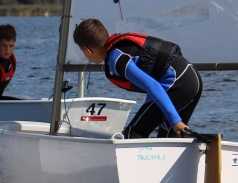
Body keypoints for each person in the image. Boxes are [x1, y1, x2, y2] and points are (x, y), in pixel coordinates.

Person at [72, 18, 201, 138]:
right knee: (169, 138)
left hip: (178, 82)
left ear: (88, 50)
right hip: (192, 78)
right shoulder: (121, 47)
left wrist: (176, 121)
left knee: (133, 133)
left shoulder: (116, 59)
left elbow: (152, 85)